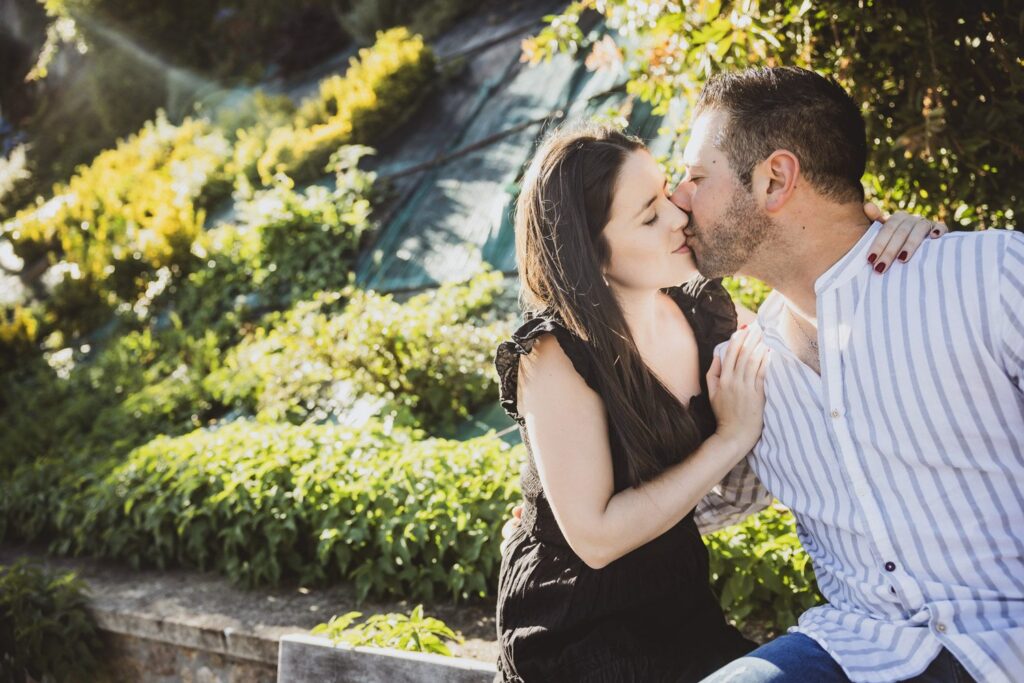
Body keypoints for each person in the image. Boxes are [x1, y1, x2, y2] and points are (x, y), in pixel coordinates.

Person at [492, 117, 941, 682]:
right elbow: (598, 540)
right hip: (578, 625)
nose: (681, 217)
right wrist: (728, 439)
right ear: (591, 252)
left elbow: (822, 351)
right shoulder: (554, 353)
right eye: (651, 215)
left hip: (679, 607)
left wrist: (885, 244)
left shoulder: (703, 314)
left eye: (667, 194)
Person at [667, 67, 1023, 683]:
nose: (677, 197)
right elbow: (713, 504)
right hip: (860, 649)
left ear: (775, 178)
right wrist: (568, 500)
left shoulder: (988, 278)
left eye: (698, 177)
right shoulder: (745, 366)